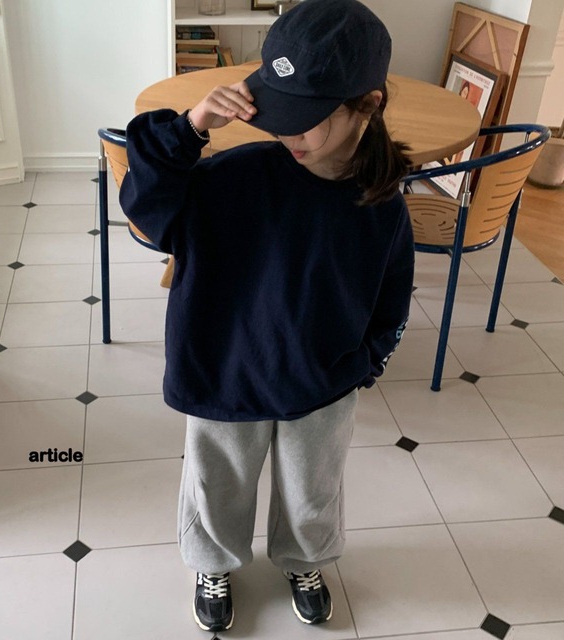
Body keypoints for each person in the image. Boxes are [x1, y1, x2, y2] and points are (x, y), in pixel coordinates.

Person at [119, 0, 414, 632]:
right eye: (279, 115)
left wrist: (366, 362)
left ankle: (305, 561)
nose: (287, 134)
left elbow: (393, 293)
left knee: (313, 489)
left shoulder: (383, 203)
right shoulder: (233, 177)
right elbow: (147, 207)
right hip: (225, 366)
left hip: (323, 379)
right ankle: (213, 563)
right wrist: (190, 128)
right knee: (216, 483)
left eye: (305, 120)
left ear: (368, 104)